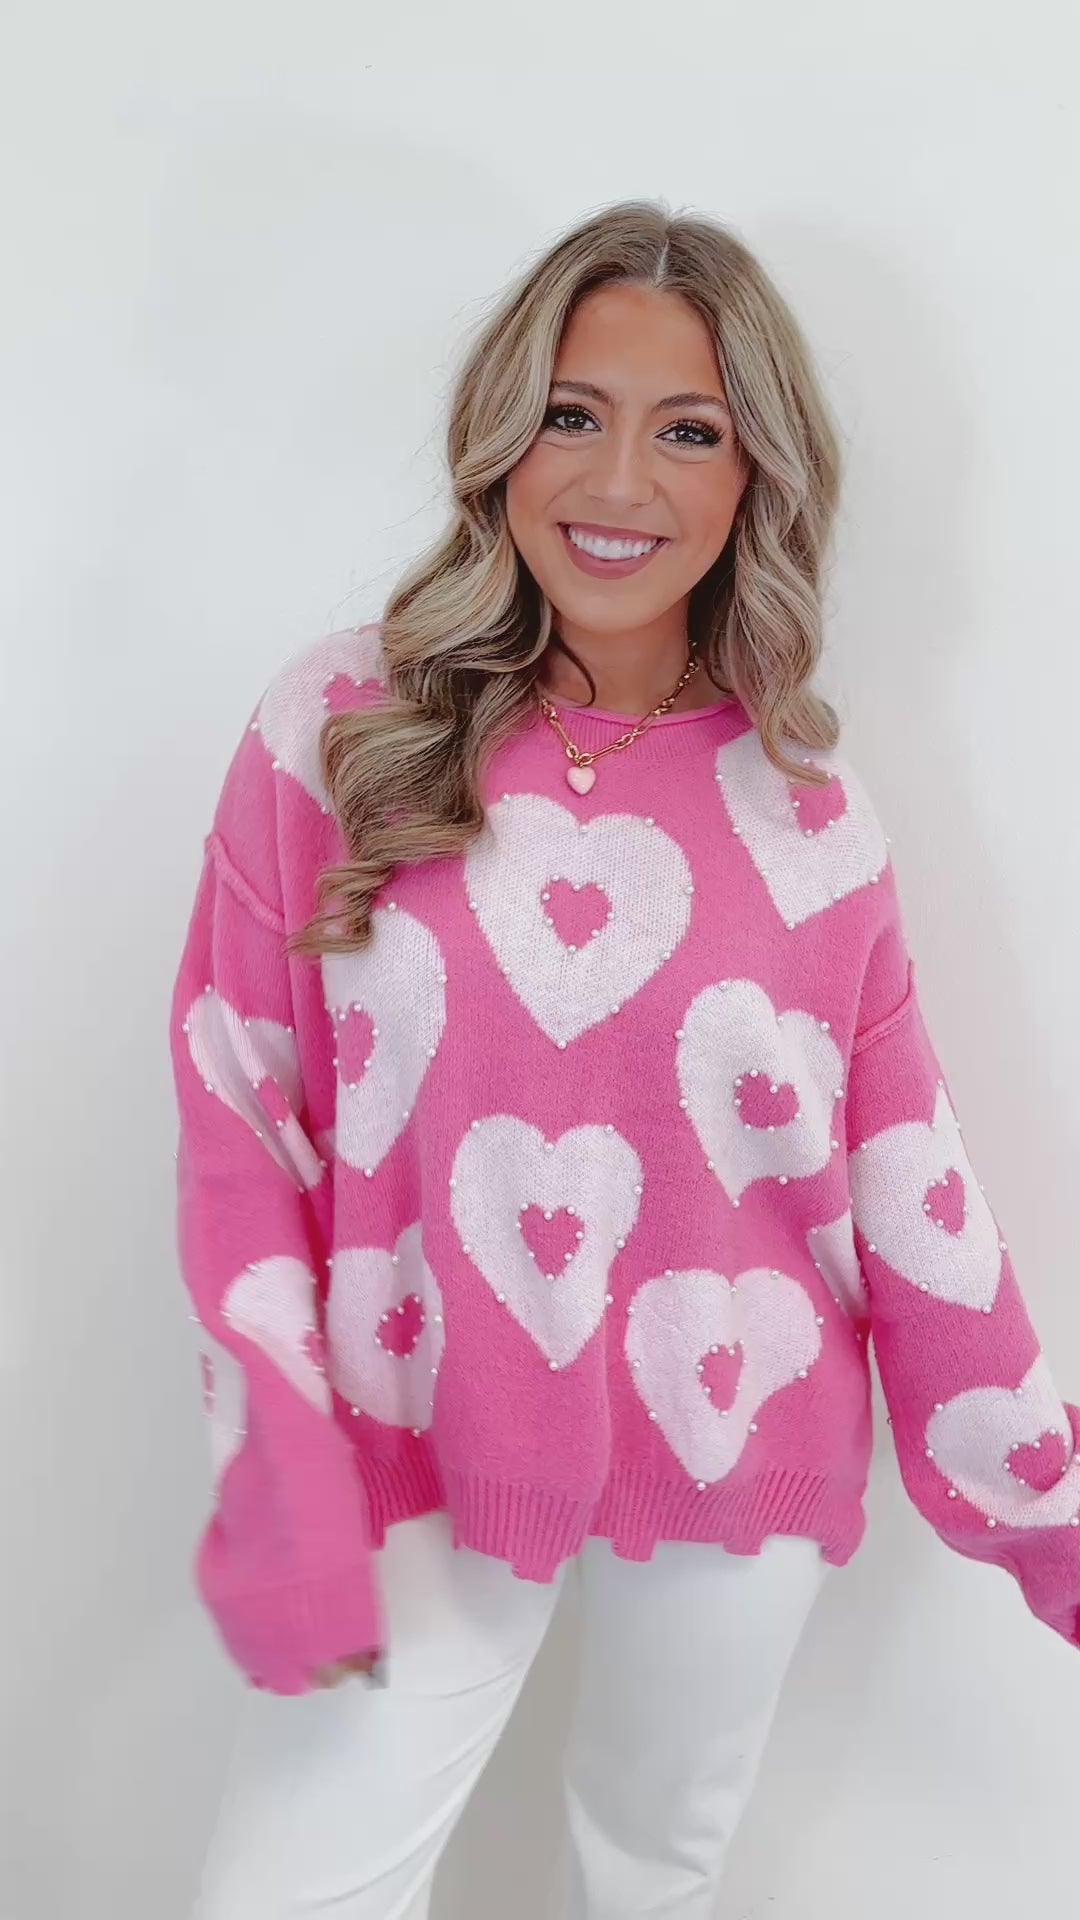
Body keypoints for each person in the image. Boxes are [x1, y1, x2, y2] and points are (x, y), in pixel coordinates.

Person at [172, 202, 1080, 1920]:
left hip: (735, 1422)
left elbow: (911, 1185)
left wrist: (1052, 1508)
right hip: (409, 1427)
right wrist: (278, 1473)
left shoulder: (807, 811)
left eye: (690, 433)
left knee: (651, 1882)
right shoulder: (342, 728)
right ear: (502, 435)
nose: (617, 483)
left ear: (759, 479)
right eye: (573, 415)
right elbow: (238, 1113)